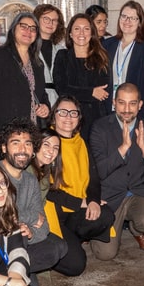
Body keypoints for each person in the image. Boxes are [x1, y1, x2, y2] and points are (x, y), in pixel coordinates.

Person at [88, 84, 144, 258]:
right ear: (114, 103)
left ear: (140, 105)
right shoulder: (100, 127)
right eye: (122, 103)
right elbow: (99, 171)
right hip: (109, 198)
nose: (126, 109)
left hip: (138, 194)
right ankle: (98, 229)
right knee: (105, 254)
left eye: (132, 103)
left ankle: (137, 230)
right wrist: (122, 149)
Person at [42, 100, 115, 270]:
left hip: (75, 211)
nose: (68, 117)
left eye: (73, 113)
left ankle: (73, 240)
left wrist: (93, 201)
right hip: (55, 212)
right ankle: (55, 246)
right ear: (53, 116)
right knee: (75, 266)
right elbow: (47, 190)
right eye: (62, 112)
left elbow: (94, 178)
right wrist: (81, 202)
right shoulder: (46, 142)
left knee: (106, 214)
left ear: (79, 118)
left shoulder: (81, 143)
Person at [0, 119, 71, 276]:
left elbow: (44, 225)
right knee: (17, 234)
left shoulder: (30, 180)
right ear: (4, 147)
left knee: (57, 247)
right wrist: (31, 217)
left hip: (20, 239)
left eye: (28, 144)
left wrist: (31, 233)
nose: (22, 149)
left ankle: (15, 268)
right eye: (15, 143)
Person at [0, 12, 50, 153]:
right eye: (23, 26)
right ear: (13, 29)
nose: (28, 31)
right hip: (4, 132)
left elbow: (41, 94)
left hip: (30, 133)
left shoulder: (37, 63)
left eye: (33, 28)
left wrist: (45, 107)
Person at [56, 12, 111, 136]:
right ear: (70, 33)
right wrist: (91, 92)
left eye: (86, 29)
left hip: (96, 119)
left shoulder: (102, 57)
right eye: (77, 29)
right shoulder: (62, 56)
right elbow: (62, 89)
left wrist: (78, 91)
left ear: (92, 33)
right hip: (70, 119)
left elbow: (102, 91)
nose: (81, 33)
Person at [104, 0, 144, 99]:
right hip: (110, 103)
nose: (127, 21)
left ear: (140, 22)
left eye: (133, 18)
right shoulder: (107, 45)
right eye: (124, 16)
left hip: (135, 104)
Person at [34, 3, 67, 104]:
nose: (50, 23)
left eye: (54, 20)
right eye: (46, 19)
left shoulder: (61, 50)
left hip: (58, 101)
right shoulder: (28, 48)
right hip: (35, 99)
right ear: (36, 20)